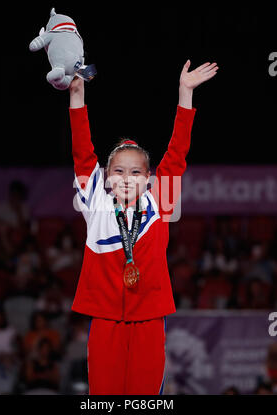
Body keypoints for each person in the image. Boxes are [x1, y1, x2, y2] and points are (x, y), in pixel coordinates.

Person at [68, 59, 218, 394]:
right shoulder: (96, 200)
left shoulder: (159, 201)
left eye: (136, 172)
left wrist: (185, 93)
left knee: (145, 398)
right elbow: (82, 149)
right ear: (107, 177)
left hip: (149, 316)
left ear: (148, 179)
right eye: (119, 171)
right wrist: (76, 91)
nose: (126, 178)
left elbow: (177, 153)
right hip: (105, 318)